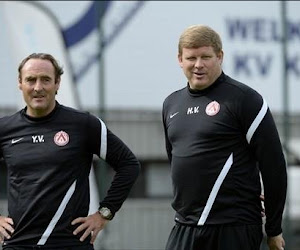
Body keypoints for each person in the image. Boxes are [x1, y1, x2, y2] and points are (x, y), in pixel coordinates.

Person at [162, 25, 287, 250]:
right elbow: (176, 161)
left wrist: (274, 229)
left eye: (206, 57)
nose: (198, 65)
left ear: (220, 56)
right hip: (185, 226)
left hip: (233, 227)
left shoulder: (245, 100)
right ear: (180, 59)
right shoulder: (171, 104)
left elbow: (274, 167)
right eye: (191, 57)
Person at [0, 53, 140, 249]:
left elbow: (129, 165)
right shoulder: (5, 129)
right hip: (18, 243)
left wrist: (104, 214)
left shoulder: (83, 124)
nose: (38, 87)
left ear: (57, 83)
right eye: (31, 80)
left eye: (46, 80)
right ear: (20, 83)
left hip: (69, 243)